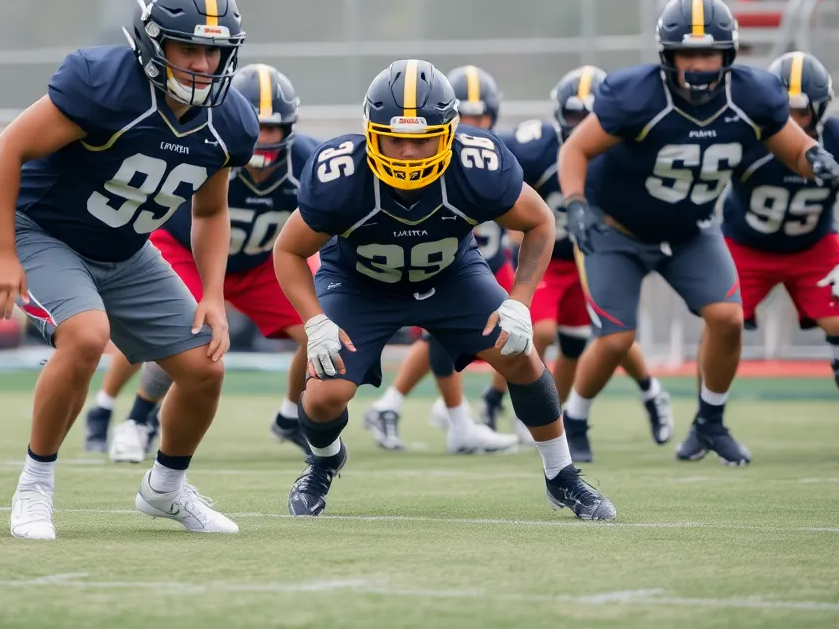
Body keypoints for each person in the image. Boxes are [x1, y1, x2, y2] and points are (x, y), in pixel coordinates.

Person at [0, 0, 258, 540]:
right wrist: (4, 251)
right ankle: (34, 486)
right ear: (152, 43)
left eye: (215, 51)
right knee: (84, 337)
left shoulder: (230, 120)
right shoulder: (101, 83)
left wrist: (211, 295)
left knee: (205, 365)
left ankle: (166, 490)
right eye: (188, 49)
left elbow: (208, 211)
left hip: (127, 250)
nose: (203, 66)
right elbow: (5, 150)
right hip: (42, 233)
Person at [274, 59, 616, 520]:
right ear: (370, 133)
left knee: (519, 353)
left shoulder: (478, 164)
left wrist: (520, 300)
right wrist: (315, 322)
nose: (409, 154)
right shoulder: (341, 174)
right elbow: (288, 251)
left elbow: (539, 222)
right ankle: (324, 461)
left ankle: (563, 476)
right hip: (358, 284)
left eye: (423, 141)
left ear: (451, 133)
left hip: (451, 277)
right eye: (395, 139)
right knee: (321, 396)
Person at [558, 0, 839, 466]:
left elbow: (793, 146)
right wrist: (574, 203)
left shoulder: (753, 94)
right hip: (617, 231)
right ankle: (574, 420)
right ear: (667, 57)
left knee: (728, 318)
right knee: (615, 338)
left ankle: (710, 422)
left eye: (709, 53)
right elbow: (575, 149)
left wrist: (815, 159)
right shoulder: (635, 94)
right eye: (687, 54)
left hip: (691, 230)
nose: (698, 65)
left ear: (728, 56)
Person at [82, 63, 318, 461]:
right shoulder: (211, 148)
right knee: (178, 334)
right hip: (186, 252)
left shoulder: (307, 163)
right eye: (255, 125)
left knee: (320, 330)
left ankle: (290, 416)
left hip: (260, 264)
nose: (262, 138)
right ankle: (130, 415)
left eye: (273, 128)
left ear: (290, 128)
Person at [498, 66, 673, 458]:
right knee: (539, 330)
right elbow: (497, 172)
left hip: (596, 254)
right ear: (559, 114)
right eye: (576, 116)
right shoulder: (536, 146)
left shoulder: (629, 150)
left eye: (591, 117)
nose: (582, 127)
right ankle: (525, 410)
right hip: (545, 258)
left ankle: (640, 393)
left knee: (600, 336)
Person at [723, 52, 839, 461]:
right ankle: (707, 424)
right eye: (781, 109)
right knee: (720, 326)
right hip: (745, 244)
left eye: (798, 110)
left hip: (812, 246)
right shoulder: (746, 138)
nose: (789, 121)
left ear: (819, 110)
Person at [363, 66, 521, 454]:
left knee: (519, 332)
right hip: (438, 262)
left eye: (480, 117)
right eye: (464, 117)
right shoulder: (419, 159)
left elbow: (528, 218)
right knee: (439, 334)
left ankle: (491, 407)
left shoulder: (491, 157)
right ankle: (454, 417)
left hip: (486, 259)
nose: (472, 125)